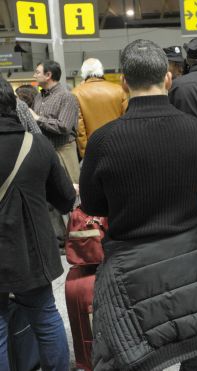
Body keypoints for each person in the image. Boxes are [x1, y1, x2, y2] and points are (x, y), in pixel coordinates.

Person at [79, 39, 197, 371]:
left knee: (134, 354)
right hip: (190, 257)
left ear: (124, 82)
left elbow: (92, 203)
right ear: (168, 78)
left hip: (131, 266)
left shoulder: (104, 140)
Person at [0, 76, 76, 371]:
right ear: (12, 104)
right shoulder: (37, 145)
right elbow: (66, 199)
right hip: (30, 253)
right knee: (45, 318)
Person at [31, 59, 80, 183]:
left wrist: (37, 118)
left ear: (48, 75)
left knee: (72, 189)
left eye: (37, 72)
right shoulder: (38, 97)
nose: (34, 75)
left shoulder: (67, 97)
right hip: (45, 151)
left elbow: (64, 126)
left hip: (63, 150)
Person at [72, 58, 127, 157]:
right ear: (101, 70)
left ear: (83, 73)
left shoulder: (76, 93)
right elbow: (126, 120)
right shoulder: (119, 90)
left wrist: (85, 153)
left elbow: (80, 129)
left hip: (93, 149)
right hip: (119, 145)